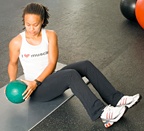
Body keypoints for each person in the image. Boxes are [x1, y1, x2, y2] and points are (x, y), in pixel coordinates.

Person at [7, 3, 140, 128]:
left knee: (85, 65)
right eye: (27, 24)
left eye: (35, 25)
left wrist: (36, 81)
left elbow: (52, 63)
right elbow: (13, 64)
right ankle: (102, 113)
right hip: (35, 91)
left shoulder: (50, 35)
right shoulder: (17, 42)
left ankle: (117, 99)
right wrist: (13, 83)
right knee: (70, 75)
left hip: (46, 81)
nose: (31, 29)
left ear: (42, 21)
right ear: (23, 21)